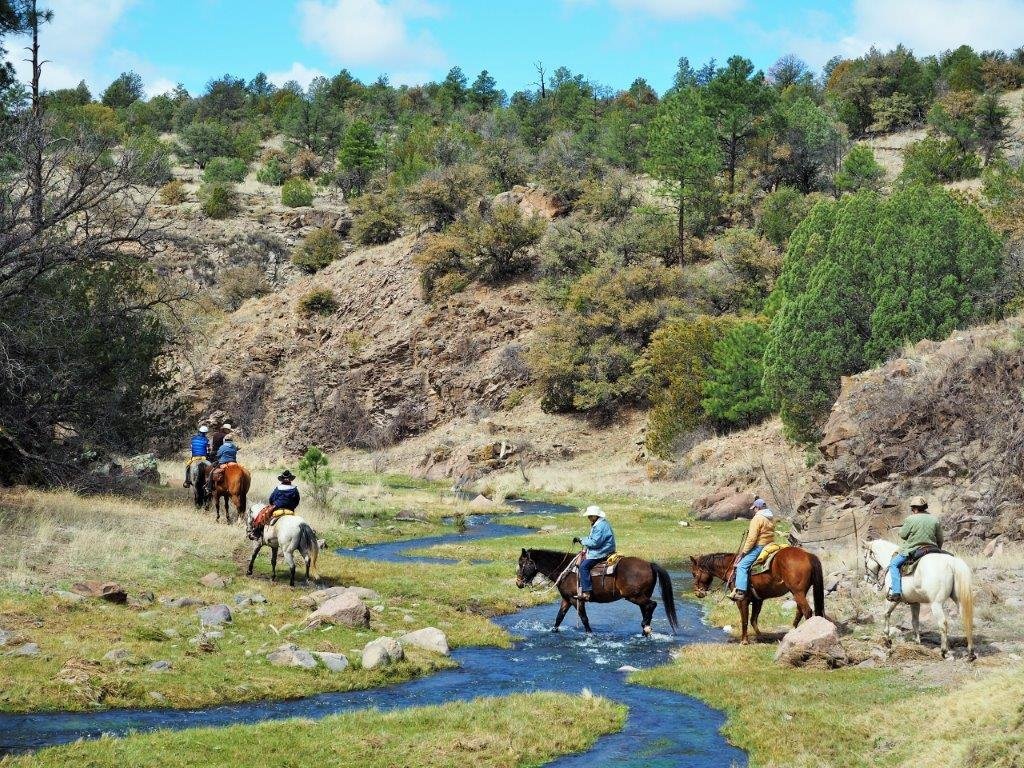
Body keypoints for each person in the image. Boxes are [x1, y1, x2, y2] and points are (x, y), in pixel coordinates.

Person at [887, 496, 943, 602]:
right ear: (925, 507)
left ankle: (896, 592)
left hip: (914, 550)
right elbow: (940, 538)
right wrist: (938, 549)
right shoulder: (934, 519)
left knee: (893, 564)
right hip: (933, 548)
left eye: (912, 509)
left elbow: (903, 535)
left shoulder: (910, 519)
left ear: (914, 508)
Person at [729, 498, 776, 602]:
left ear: (757, 508)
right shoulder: (770, 517)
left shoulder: (757, 518)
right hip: (770, 544)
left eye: (754, 508)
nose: (753, 510)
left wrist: (744, 551)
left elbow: (752, 538)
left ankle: (740, 592)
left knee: (742, 566)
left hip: (760, 546)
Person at [572, 505, 616, 601]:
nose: (588, 518)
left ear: (595, 516)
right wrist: (582, 539)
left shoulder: (600, 526)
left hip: (602, 551)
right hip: (603, 548)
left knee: (583, 566)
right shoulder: (599, 524)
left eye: (590, 516)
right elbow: (592, 539)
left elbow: (595, 543)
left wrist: (581, 540)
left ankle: (586, 592)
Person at [252, 470, 301, 536]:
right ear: (290, 479)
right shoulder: (294, 489)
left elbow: (271, 499)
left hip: (277, 507)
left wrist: (273, 504)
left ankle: (257, 531)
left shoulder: (278, 488)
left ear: (282, 480)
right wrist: (291, 506)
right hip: (290, 509)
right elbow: (297, 501)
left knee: (263, 515)